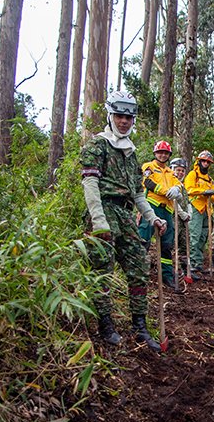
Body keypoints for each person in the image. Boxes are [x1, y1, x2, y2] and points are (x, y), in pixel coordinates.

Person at [79, 90, 166, 350]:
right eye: (119, 116)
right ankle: (105, 324)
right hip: (103, 212)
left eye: (128, 117)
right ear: (110, 116)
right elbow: (90, 184)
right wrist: (98, 221)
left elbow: (138, 192)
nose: (124, 122)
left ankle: (139, 326)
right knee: (102, 269)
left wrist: (152, 218)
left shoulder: (131, 152)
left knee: (139, 267)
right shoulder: (98, 145)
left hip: (126, 214)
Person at [139, 140, 184, 292]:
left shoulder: (171, 172)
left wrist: (177, 189)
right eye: (160, 152)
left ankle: (167, 275)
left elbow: (179, 184)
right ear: (155, 153)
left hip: (168, 210)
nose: (163, 155)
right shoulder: (149, 167)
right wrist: (165, 191)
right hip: (151, 206)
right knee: (143, 240)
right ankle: (139, 273)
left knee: (167, 245)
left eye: (166, 153)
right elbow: (147, 182)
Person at [184, 151, 214, 276]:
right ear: (199, 161)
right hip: (196, 208)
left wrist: (211, 194)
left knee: (203, 238)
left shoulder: (210, 179)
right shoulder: (193, 175)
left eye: (208, 162)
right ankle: (192, 263)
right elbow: (189, 189)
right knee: (195, 236)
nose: (206, 163)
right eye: (204, 161)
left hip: (207, 211)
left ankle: (198, 263)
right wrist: (203, 191)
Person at [169, 158, 193, 282]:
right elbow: (173, 201)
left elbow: (187, 201)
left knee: (184, 244)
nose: (180, 173)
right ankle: (172, 270)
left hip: (184, 222)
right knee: (172, 244)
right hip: (174, 219)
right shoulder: (171, 183)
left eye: (182, 171)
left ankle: (185, 271)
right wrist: (181, 213)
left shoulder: (183, 186)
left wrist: (189, 213)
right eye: (178, 170)